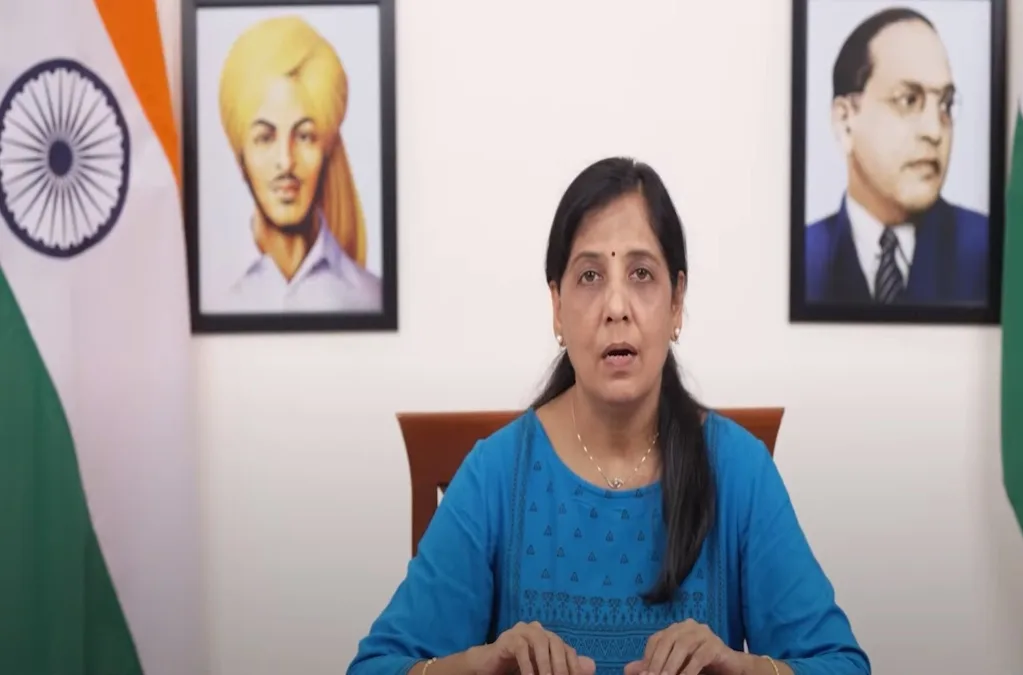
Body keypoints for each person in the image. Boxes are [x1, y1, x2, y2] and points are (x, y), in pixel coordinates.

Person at [347, 158, 870, 675]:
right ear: (557, 307)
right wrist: (476, 666)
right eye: (590, 276)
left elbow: (842, 664)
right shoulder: (495, 476)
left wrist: (742, 669)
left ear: (676, 303)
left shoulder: (739, 471)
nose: (616, 306)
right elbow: (374, 666)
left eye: (641, 274)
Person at [798, 7, 989, 307]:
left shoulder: (987, 250)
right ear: (845, 121)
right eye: (908, 100)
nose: (934, 131)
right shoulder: (805, 258)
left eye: (946, 104)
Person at [211, 15, 382, 313]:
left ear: (326, 148)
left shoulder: (371, 297)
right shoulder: (213, 296)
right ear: (241, 155)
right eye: (265, 138)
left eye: (304, 136)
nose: (286, 161)